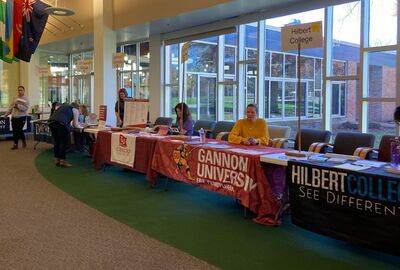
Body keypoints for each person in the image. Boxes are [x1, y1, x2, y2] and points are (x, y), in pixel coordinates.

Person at [48, 102, 82, 168]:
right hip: (60, 124)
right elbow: (75, 124)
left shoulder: (64, 107)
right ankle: (63, 161)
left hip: (51, 123)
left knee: (57, 142)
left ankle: (57, 160)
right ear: (77, 107)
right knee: (62, 143)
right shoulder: (75, 110)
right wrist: (81, 126)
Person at [6, 85, 30, 150]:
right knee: (14, 131)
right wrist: (7, 113)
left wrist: (18, 107)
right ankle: (15, 144)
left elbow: (26, 108)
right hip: (14, 116)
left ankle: (23, 140)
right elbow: (11, 106)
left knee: (19, 130)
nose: (19, 91)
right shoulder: (15, 98)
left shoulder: (26, 99)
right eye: (18, 90)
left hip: (22, 117)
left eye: (21, 90)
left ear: (24, 91)